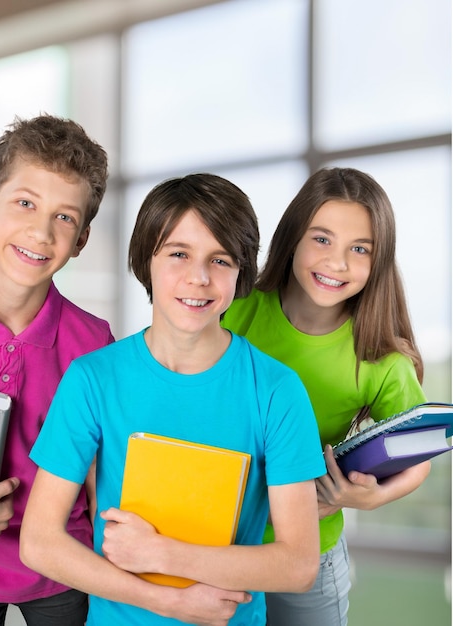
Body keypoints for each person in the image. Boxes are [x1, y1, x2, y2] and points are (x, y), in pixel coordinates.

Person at [20, 173, 326, 626]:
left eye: (220, 260)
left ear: (241, 272)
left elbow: (299, 565)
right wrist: (165, 601)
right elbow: (40, 543)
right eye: (179, 254)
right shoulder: (92, 379)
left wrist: (162, 554)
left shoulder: (277, 391)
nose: (198, 278)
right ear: (147, 260)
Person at [221, 166, 430, 626]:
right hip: (220, 539)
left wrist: (368, 500)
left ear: (379, 262)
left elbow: (419, 458)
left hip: (311, 548)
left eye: (359, 249)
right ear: (292, 237)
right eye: (322, 240)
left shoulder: (382, 359)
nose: (337, 263)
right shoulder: (235, 311)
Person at [0, 114, 115, 625]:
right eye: (25, 203)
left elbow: (105, 476)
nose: (40, 230)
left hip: (64, 568)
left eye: (64, 217)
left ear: (80, 239)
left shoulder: (95, 340)